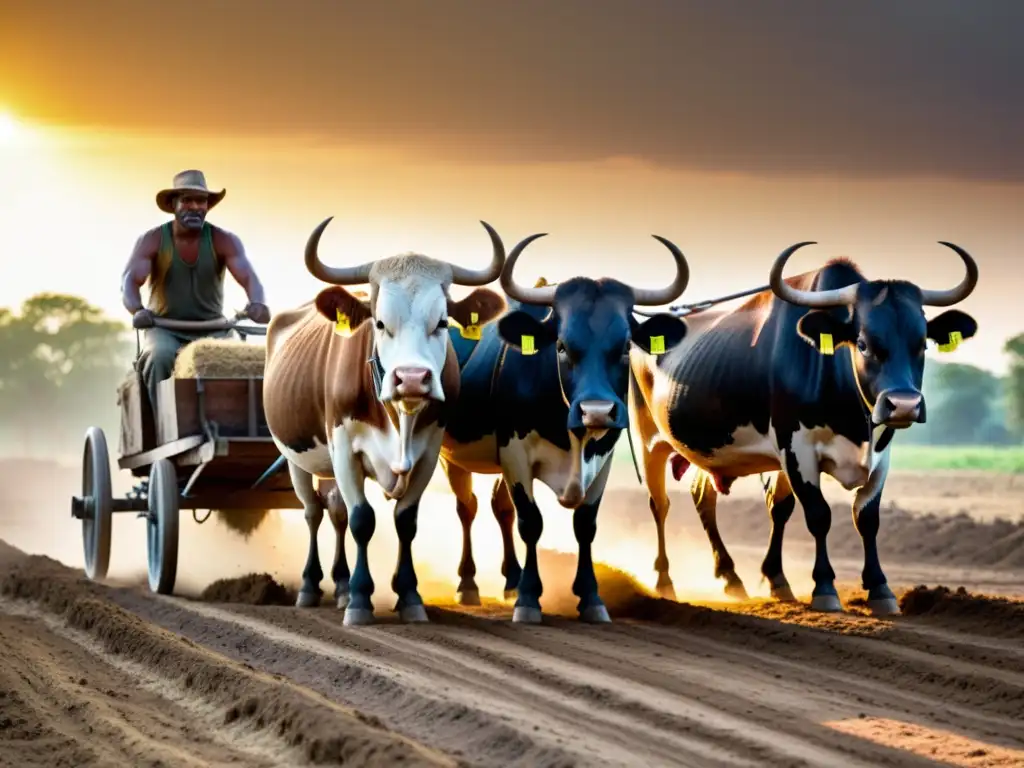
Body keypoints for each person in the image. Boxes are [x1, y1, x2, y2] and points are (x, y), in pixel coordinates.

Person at [121, 169, 271, 409]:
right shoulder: (153, 240)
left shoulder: (224, 240)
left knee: (247, 362)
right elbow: (129, 281)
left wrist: (258, 303)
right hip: (165, 329)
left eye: (201, 201)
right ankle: (165, 426)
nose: (195, 206)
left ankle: (244, 428)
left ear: (208, 206)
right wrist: (137, 309)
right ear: (173, 204)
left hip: (214, 329)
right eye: (187, 200)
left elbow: (249, 277)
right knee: (159, 357)